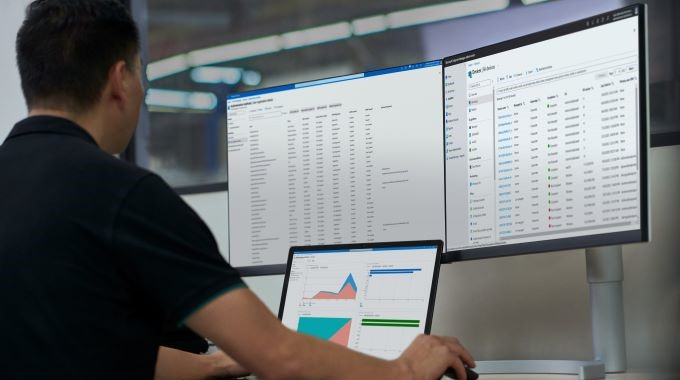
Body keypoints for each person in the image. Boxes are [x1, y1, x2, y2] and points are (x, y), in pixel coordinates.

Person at [0, 1, 476, 379]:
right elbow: (282, 361)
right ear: (120, 80)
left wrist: (216, 362)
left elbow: (84, 349)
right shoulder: (123, 194)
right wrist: (403, 371)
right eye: (141, 72)